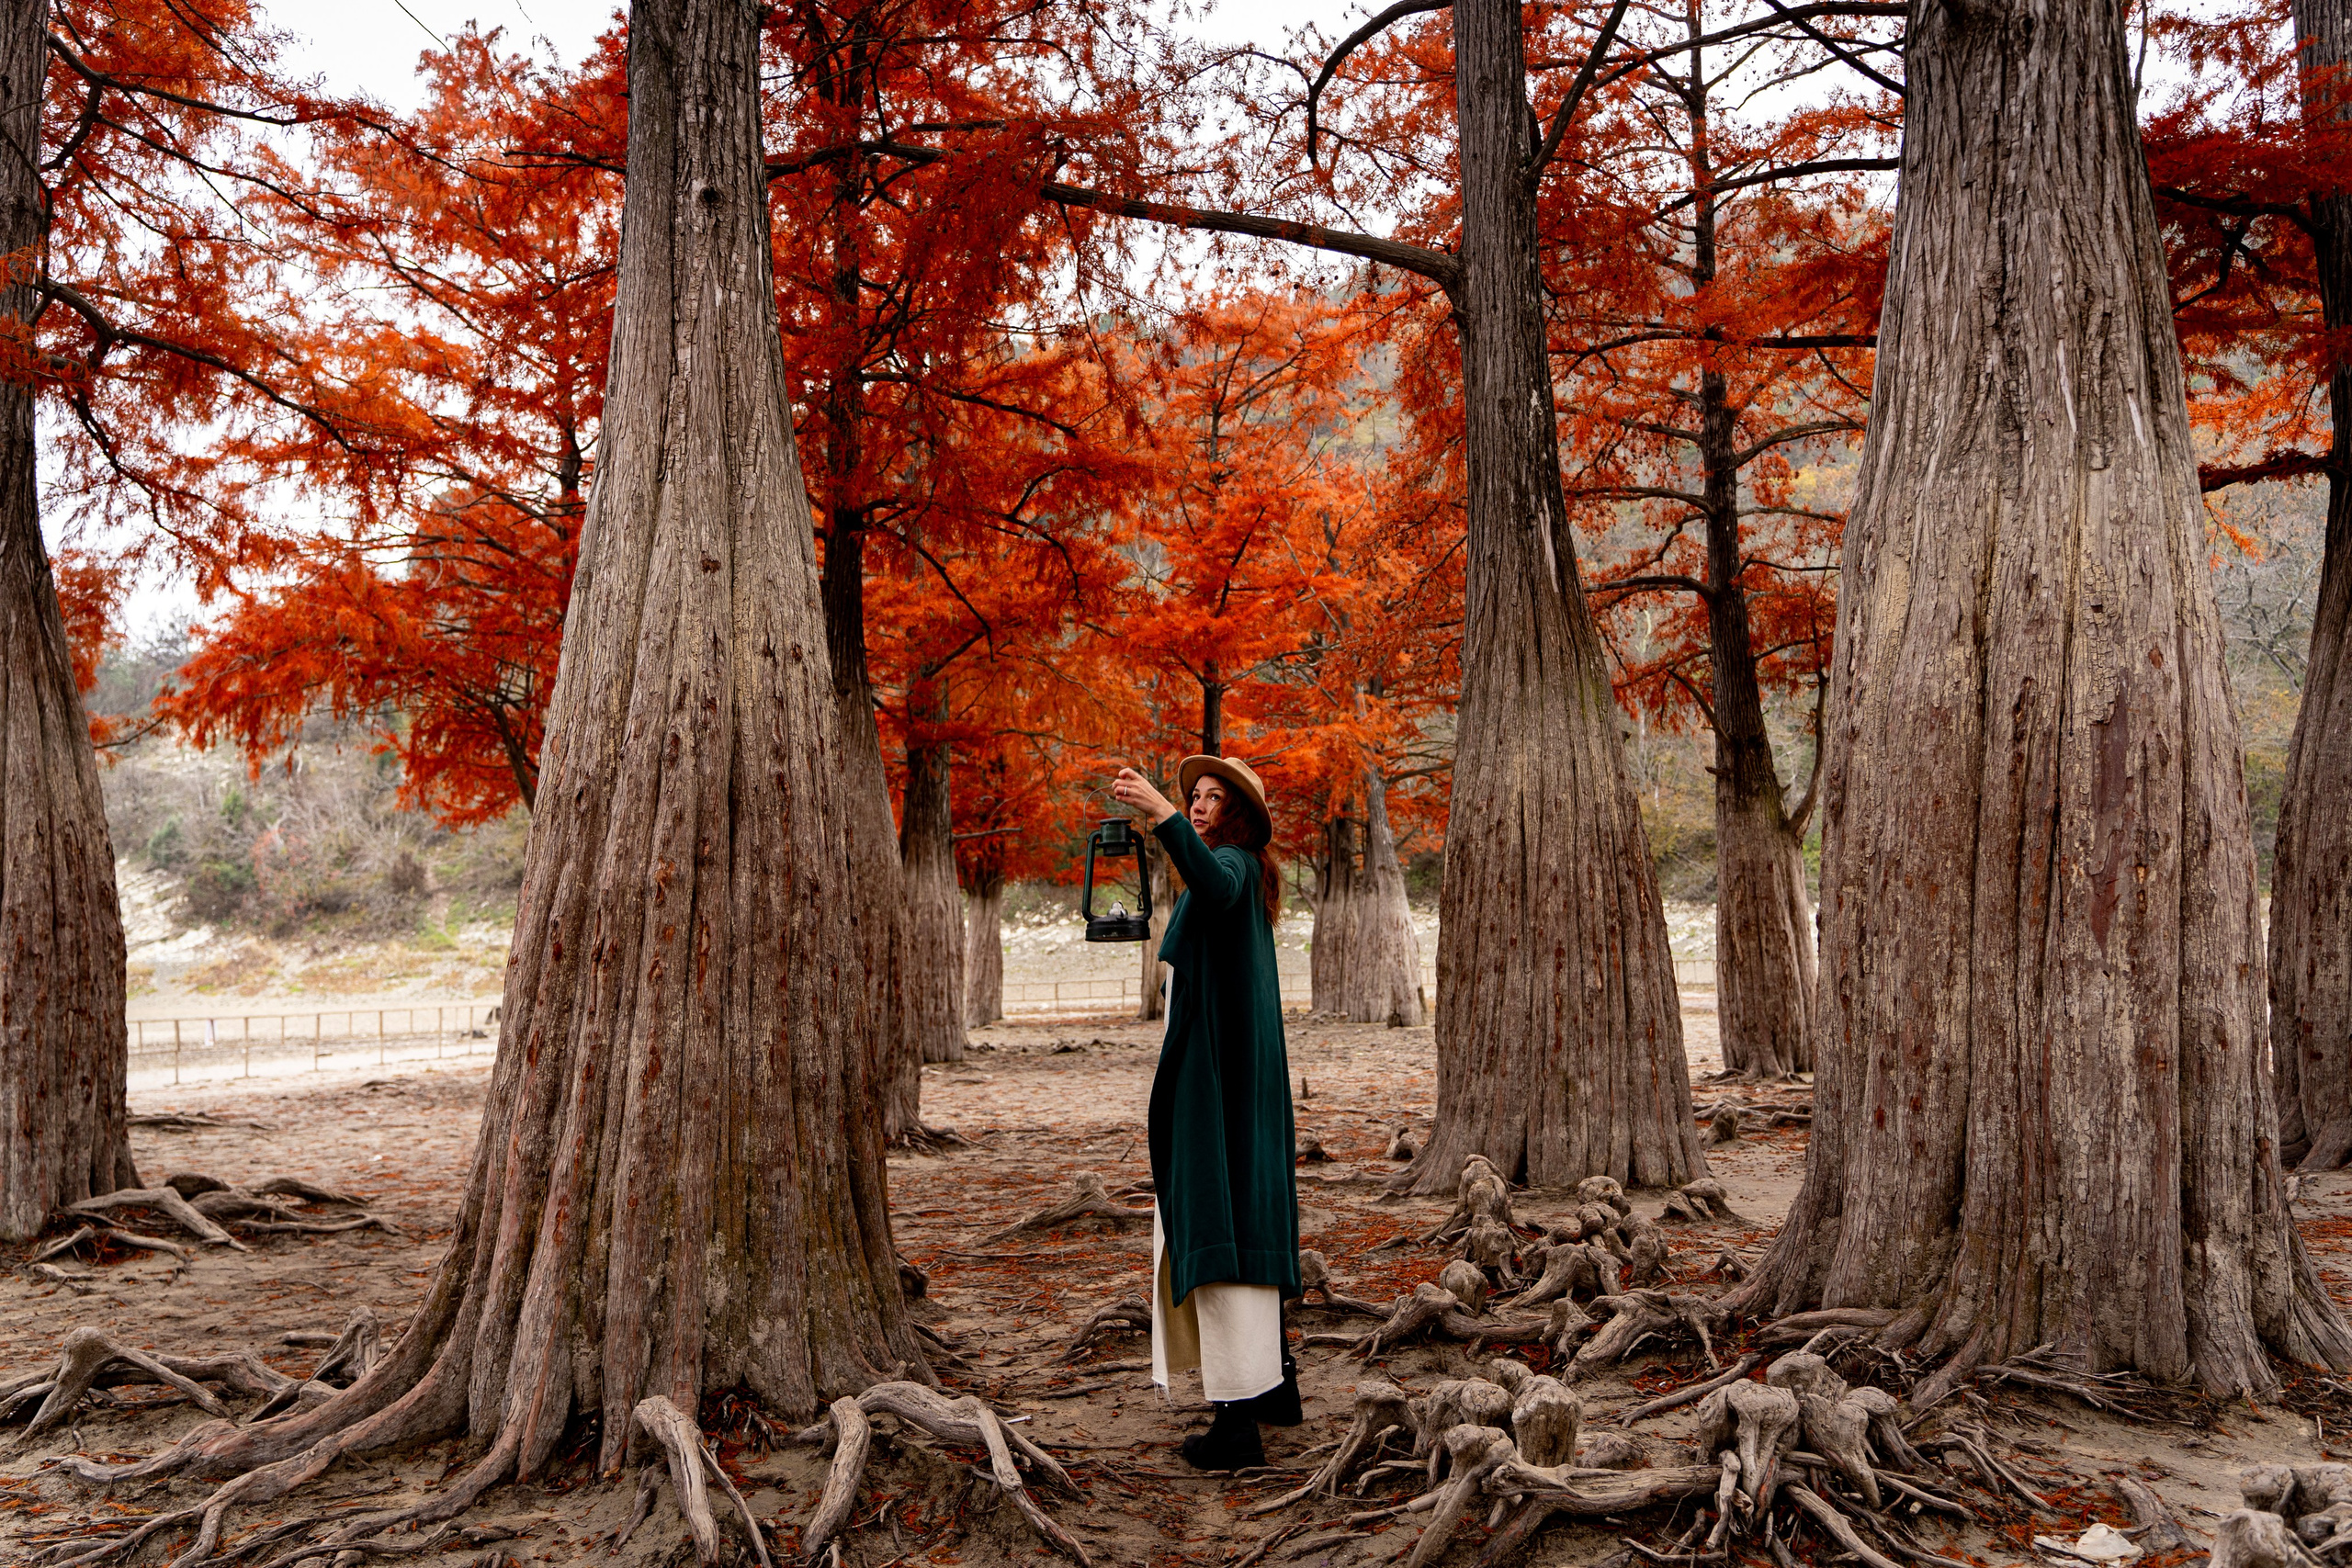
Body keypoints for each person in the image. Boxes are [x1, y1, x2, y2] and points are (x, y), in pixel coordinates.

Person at [1110, 756, 1300, 1471]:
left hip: (1222, 1084)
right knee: (1235, 1218)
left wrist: (1158, 810)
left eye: (1214, 799)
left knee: (1222, 1222)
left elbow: (1213, 881)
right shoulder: (1239, 875)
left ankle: (1237, 1426)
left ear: (1240, 815)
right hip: (1228, 1077)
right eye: (1194, 796)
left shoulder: (1237, 867)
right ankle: (1275, 1388)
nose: (1198, 805)